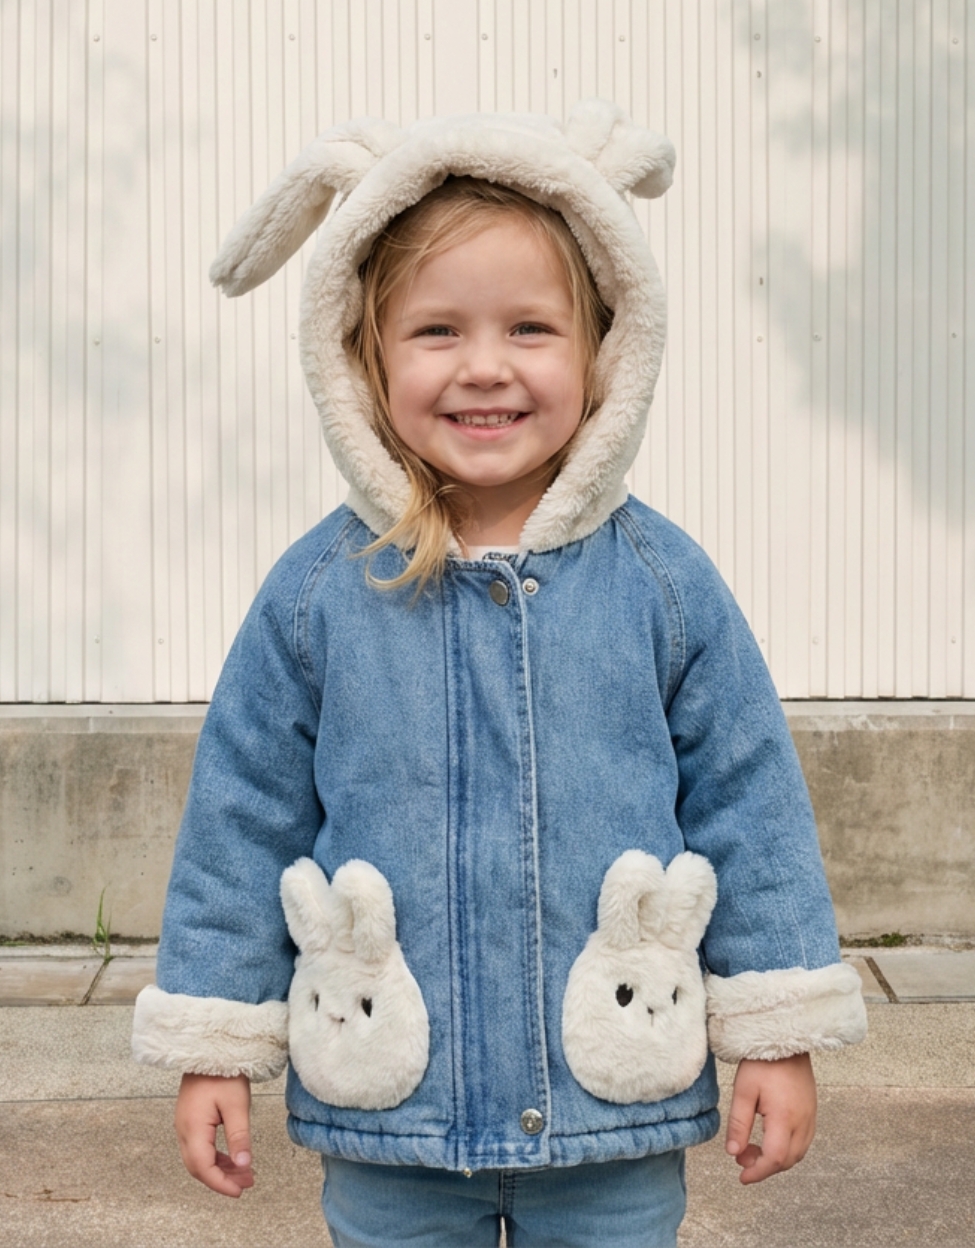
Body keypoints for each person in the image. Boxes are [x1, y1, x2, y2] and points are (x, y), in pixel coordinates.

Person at [133, 102, 867, 1247]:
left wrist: (776, 1031)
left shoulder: (661, 585)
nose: (485, 367)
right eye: (437, 331)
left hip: (609, 1112)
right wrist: (215, 1044)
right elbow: (243, 817)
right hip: (395, 1115)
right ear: (364, 356)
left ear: (604, 350)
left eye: (530, 327)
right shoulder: (321, 595)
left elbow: (748, 798)